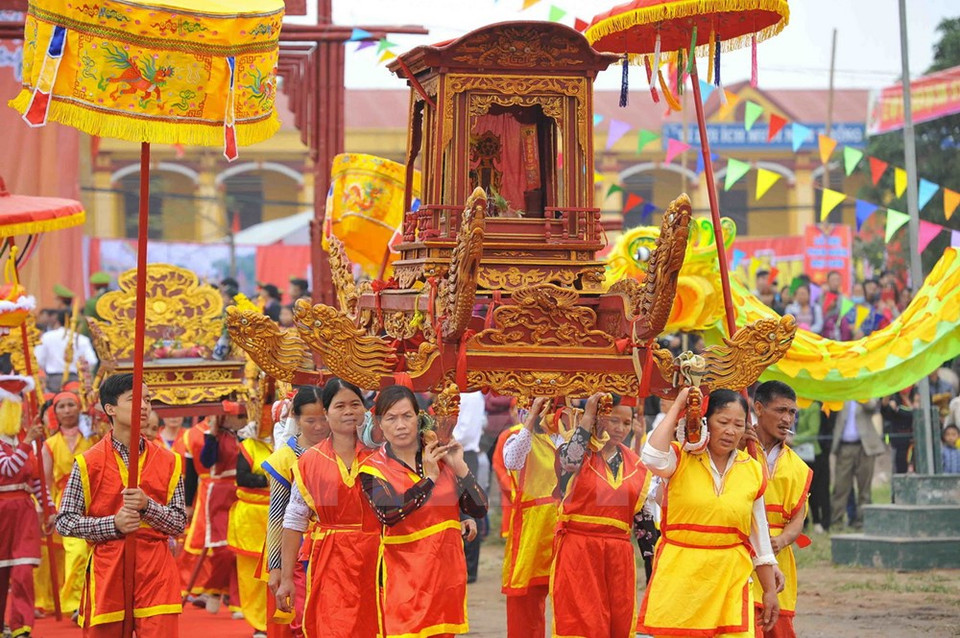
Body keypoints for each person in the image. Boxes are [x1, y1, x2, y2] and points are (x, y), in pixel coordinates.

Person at [639, 388, 781, 637]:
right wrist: (679, 406)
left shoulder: (753, 471)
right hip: (682, 578)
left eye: (739, 424)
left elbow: (760, 539)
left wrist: (769, 591)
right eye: (723, 422)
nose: (730, 431)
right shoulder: (680, 458)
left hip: (730, 578)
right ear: (706, 422)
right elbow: (651, 458)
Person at [56, 373, 185, 637]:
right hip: (108, 568)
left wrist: (148, 506)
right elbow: (65, 521)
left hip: (156, 570)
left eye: (148, 400)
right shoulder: (88, 462)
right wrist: (112, 524)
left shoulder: (170, 461)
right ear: (110, 408)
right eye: (135, 399)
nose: (145, 406)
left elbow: (179, 523)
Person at [358, 385, 487, 638]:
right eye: (391, 418)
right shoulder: (372, 468)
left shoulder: (438, 456)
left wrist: (459, 467)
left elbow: (479, 508)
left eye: (407, 416)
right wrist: (428, 480)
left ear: (419, 418)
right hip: (405, 579)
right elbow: (389, 514)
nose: (401, 425)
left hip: (445, 577)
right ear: (379, 424)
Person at [278, 379, 377, 638]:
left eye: (355, 404)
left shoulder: (381, 456)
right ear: (326, 412)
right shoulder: (310, 461)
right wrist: (286, 577)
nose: (349, 411)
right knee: (334, 626)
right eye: (340, 405)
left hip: (376, 558)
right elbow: (294, 520)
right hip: (330, 560)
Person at [551, 393, 650, 638]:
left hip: (618, 556)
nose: (620, 429)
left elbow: (643, 522)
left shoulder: (636, 465)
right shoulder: (577, 452)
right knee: (581, 621)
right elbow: (569, 462)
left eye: (627, 423)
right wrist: (587, 418)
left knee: (619, 619)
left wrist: (653, 566)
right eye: (614, 420)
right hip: (579, 550)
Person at [262, 387, 329, 636]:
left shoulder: (340, 449)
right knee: (302, 619)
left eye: (324, 418)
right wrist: (277, 567)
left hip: (331, 546)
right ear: (297, 419)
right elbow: (277, 516)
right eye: (311, 420)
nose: (319, 426)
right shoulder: (285, 458)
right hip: (297, 550)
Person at [752, 381, 812, 638]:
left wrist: (781, 540)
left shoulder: (798, 466)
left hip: (779, 554)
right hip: (744, 551)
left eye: (792, 413)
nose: (787, 419)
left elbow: (798, 518)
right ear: (758, 408)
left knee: (778, 628)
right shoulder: (736, 450)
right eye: (780, 410)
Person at [498, 397, 560, 637]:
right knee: (526, 599)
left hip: (565, 524)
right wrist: (532, 419)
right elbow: (510, 461)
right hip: (532, 527)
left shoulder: (571, 435)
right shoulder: (519, 435)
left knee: (571, 597)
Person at [40, 391, 97, 618]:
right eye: (61, 406)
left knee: (94, 552)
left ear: (79, 407)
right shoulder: (50, 444)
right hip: (66, 504)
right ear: (55, 412)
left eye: (70, 405)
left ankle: (92, 599)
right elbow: (44, 481)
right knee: (77, 551)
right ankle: (76, 603)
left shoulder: (93, 437)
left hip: (93, 500)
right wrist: (50, 509)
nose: (66, 410)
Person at [0, 397, 53, 638]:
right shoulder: (16, 444)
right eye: (18, 413)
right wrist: (28, 442)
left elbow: (38, 481)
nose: (22, 418)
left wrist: (50, 512)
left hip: (24, 512)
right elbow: (9, 469)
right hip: (2, 512)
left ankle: (21, 625)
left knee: (22, 571)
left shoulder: (26, 443)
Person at [181, 409, 241, 609]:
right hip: (217, 494)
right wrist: (213, 434)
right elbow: (206, 462)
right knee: (222, 547)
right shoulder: (205, 435)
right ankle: (214, 589)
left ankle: (231, 597)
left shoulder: (244, 433)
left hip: (243, 493)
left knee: (240, 548)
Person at [228, 408, 274, 638]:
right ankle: (258, 623)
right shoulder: (249, 446)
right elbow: (242, 477)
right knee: (251, 575)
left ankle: (279, 621)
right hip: (251, 518)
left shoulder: (289, 443)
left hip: (279, 516)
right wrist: (269, 477)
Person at [830, 400, 885, 530]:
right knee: (840, 487)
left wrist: (859, 395)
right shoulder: (841, 395)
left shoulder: (865, 393)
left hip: (865, 447)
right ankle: (836, 521)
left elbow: (872, 406)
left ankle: (862, 521)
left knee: (864, 488)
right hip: (845, 447)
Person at [453, 390, 486, 583]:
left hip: (463, 453)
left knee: (470, 511)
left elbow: (465, 432)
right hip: (452, 451)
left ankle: (470, 568)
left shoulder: (471, 394)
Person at [35, 310, 99, 393]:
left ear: (57, 321)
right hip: (75, 379)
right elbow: (92, 361)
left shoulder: (47, 337)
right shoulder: (82, 339)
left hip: (53, 379)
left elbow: (38, 360)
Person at [882, 387, 919, 474]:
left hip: (917, 441)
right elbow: (885, 411)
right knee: (900, 469)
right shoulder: (894, 400)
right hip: (899, 442)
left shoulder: (918, 395)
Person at [80, 272, 111, 337]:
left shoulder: (91, 303)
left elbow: (87, 325)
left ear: (94, 287)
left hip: (96, 338)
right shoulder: (115, 300)